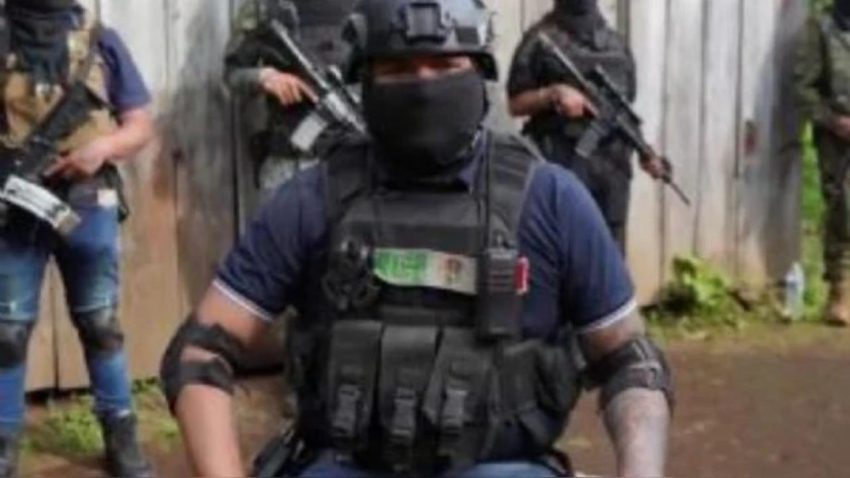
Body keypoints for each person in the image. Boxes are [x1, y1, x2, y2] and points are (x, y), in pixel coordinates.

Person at [162, 0, 673, 476]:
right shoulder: (312, 198)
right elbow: (200, 352)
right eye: (398, 68)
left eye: (445, 65)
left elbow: (631, 361)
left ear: (479, 73)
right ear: (365, 78)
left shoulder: (552, 199)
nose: (424, 85)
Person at [0, 1, 155, 476]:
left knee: (101, 323)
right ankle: (4, 440)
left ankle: (121, 432)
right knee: (7, 332)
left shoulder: (99, 40)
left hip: (88, 203)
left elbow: (140, 124)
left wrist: (102, 148)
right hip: (15, 206)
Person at [507, 0, 665, 252]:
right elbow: (515, 104)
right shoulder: (539, 40)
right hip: (560, 165)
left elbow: (622, 110)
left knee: (610, 258)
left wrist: (646, 152)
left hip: (612, 175)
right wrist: (552, 94)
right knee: (559, 250)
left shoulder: (617, 45)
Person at [224, 0, 358, 195]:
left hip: (354, 166)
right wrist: (264, 77)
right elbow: (232, 72)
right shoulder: (266, 6)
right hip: (289, 165)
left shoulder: (368, 7)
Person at [794, 0, 850, 327]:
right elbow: (803, 88)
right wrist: (833, 121)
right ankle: (839, 291)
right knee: (842, 209)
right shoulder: (821, 27)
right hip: (837, 138)